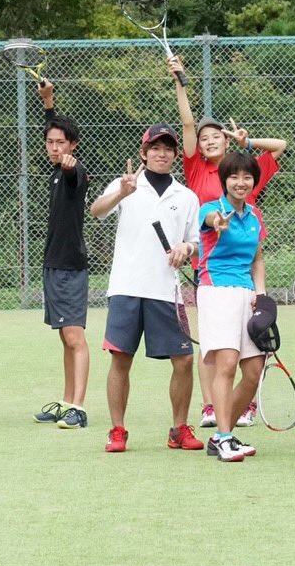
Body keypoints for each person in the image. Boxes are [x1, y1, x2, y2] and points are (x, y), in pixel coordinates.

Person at [166, 53, 287, 430]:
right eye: (204, 138)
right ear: (199, 148)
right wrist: (179, 80)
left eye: (216, 135)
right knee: (218, 353)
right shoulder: (197, 170)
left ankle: (229, 417)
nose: (209, 140)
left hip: (243, 277)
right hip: (210, 274)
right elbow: (187, 122)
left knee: (245, 356)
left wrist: (244, 140)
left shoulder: (246, 175)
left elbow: (279, 146)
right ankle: (212, 411)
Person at [90, 125, 201, 454]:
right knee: (120, 360)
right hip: (126, 287)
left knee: (183, 361)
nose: (161, 153)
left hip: (167, 290)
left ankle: (179, 429)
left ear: (175, 155)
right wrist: (121, 193)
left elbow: (195, 241)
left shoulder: (187, 196)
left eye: (168, 148)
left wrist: (186, 249)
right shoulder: (125, 185)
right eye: (155, 148)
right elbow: (96, 210)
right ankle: (117, 430)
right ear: (144, 153)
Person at [197, 150, 270, 462]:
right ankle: (226, 436)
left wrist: (262, 295)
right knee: (226, 363)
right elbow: (212, 222)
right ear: (224, 179)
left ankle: (220, 435)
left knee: (254, 371)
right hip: (216, 291)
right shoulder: (211, 210)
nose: (241, 182)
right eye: (234, 176)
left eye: (247, 177)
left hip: (246, 294)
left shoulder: (254, 216)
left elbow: (257, 258)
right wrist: (218, 224)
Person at [31, 80, 91, 430]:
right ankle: (67, 401)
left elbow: (73, 172)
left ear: (73, 146)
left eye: (61, 143)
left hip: (70, 267)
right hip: (53, 266)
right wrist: (49, 102)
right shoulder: (56, 169)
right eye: (50, 142)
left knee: (74, 337)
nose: (54, 147)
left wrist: (69, 165)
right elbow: (52, 127)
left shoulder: (74, 172)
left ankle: (78, 408)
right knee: (63, 337)